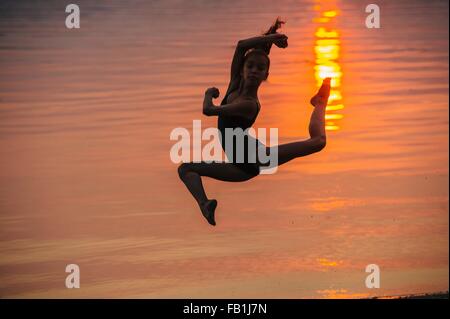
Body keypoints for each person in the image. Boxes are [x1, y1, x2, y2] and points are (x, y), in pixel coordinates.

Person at [178, 18, 330, 226]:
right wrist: (271, 38)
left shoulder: (249, 104)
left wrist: (208, 93)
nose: (254, 70)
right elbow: (241, 45)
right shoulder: (234, 85)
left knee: (318, 142)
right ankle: (205, 205)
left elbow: (208, 110)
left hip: (257, 160)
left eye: (260, 68)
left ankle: (320, 102)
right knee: (186, 169)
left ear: (266, 75)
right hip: (238, 166)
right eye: (250, 66)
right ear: (242, 70)